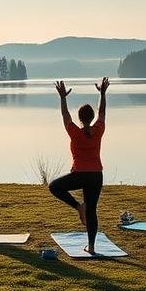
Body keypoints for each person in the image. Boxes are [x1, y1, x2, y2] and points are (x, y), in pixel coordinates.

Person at [49, 77, 109, 255]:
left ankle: (78, 206)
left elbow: (65, 115)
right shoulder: (98, 130)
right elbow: (102, 112)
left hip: (80, 174)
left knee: (54, 186)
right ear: (91, 117)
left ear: (80, 119)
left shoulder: (75, 132)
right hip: (96, 175)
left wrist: (62, 98)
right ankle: (91, 246)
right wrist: (102, 94)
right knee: (92, 211)